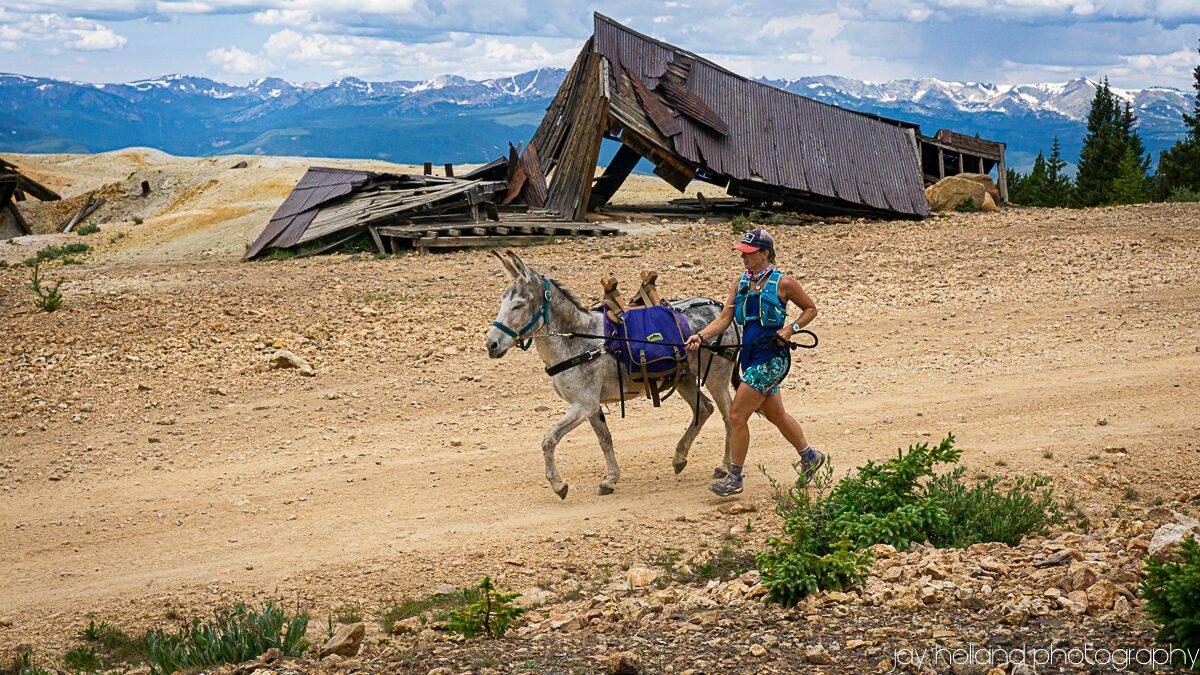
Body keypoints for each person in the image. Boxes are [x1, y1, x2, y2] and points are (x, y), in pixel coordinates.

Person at [685, 228, 824, 496]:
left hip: (771, 358)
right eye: (742, 253)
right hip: (748, 357)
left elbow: (811, 309)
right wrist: (700, 337)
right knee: (775, 414)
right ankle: (810, 457)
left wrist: (790, 329)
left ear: (765, 254)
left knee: (737, 415)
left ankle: (734, 477)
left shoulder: (784, 283)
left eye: (749, 253)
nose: (744, 258)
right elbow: (725, 319)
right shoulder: (740, 283)